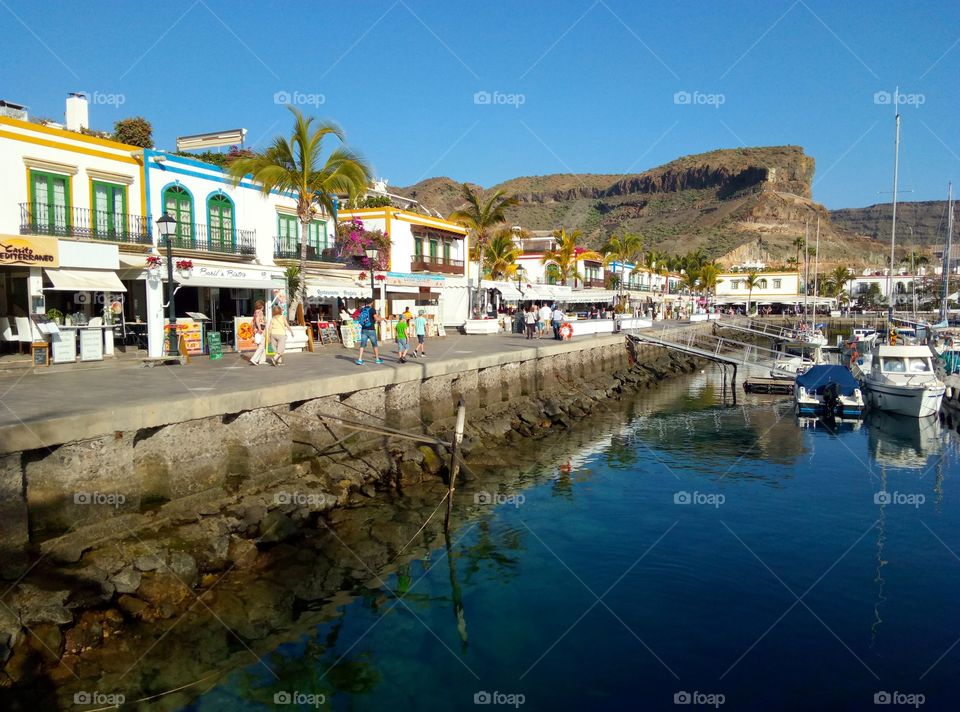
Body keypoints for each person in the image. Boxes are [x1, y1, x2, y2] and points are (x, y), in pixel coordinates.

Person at [355, 298, 383, 365]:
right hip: (371, 329)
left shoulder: (362, 309)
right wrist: (382, 319)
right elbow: (376, 318)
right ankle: (377, 359)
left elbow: (359, 317)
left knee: (362, 344)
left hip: (363, 329)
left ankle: (360, 359)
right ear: (372, 303)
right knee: (374, 344)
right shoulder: (372, 310)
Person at [249, 299, 267, 366]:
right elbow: (257, 320)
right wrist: (259, 329)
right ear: (262, 306)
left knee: (262, 345)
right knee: (261, 346)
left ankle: (262, 360)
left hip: (257, 330)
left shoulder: (255, 312)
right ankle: (254, 359)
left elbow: (255, 321)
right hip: (260, 330)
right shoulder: (260, 312)